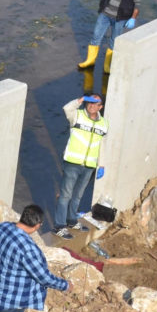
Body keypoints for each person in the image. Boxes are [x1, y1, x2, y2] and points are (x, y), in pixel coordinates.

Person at [53, 94, 107, 239]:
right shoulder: (77, 116)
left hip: (89, 166)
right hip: (72, 163)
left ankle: (71, 221)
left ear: (100, 107)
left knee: (77, 196)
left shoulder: (104, 123)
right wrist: (81, 100)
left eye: (96, 103)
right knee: (65, 195)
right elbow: (66, 108)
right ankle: (59, 226)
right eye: (90, 102)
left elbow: (102, 145)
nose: (91, 105)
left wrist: (100, 165)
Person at [78, 0, 140, 72]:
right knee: (96, 36)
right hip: (105, 14)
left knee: (113, 41)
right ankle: (90, 61)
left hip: (120, 18)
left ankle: (107, 66)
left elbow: (137, 4)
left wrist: (133, 18)